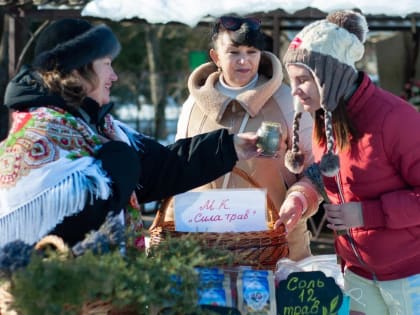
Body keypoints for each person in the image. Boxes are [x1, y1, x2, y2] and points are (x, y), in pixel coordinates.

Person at [0, 18, 261, 249]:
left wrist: (229, 147)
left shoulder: (97, 126)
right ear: (77, 70)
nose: (114, 76)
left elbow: (160, 169)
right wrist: (118, 159)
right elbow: (77, 220)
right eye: (106, 64)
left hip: (102, 294)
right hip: (58, 297)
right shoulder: (39, 134)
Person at [283, 9, 420, 314]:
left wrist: (366, 214)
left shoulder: (396, 119)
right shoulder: (325, 116)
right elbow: (328, 173)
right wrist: (300, 198)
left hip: (410, 275)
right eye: (292, 80)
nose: (294, 91)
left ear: (330, 76)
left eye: (303, 80)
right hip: (357, 271)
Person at [169, 14, 321, 261]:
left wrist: (299, 199)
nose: (244, 60)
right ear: (215, 57)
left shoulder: (287, 101)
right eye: (233, 52)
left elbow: (317, 168)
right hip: (208, 248)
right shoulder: (192, 105)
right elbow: (179, 167)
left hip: (277, 246)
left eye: (252, 51)